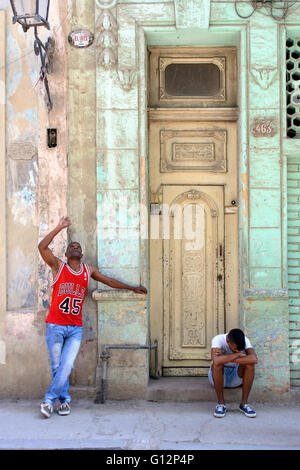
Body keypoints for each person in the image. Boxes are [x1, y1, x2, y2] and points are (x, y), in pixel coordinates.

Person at [38, 216, 147, 418]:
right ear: (66, 252)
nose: (76, 248)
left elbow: (109, 281)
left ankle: (48, 401)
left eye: (79, 247)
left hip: (75, 328)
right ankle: (64, 403)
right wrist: (59, 227)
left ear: (82, 253)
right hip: (55, 325)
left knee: (67, 365)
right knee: (57, 366)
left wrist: (132, 288)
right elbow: (42, 247)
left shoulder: (88, 271)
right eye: (72, 246)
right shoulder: (58, 267)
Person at [208, 328, 258, 418]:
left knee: (250, 365)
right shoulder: (218, 339)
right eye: (235, 348)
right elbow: (216, 360)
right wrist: (238, 355)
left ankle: (244, 404)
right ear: (227, 341)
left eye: (239, 350)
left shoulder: (245, 340)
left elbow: (254, 359)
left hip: (236, 377)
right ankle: (221, 404)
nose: (237, 351)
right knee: (217, 365)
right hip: (218, 378)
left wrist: (224, 357)